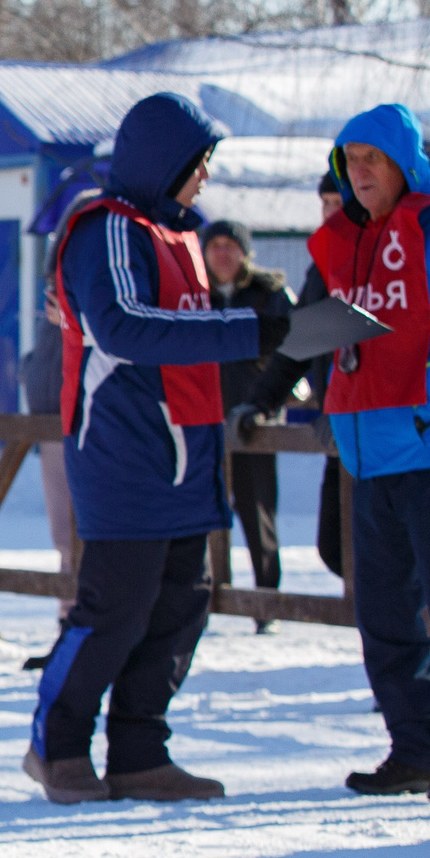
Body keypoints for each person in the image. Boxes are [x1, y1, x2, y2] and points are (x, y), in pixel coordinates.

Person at [25, 93, 282, 805]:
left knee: (178, 610)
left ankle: (140, 753)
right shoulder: (109, 226)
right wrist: (248, 329)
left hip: (188, 455)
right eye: (200, 163)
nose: (205, 177)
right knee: (115, 610)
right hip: (124, 455)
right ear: (165, 161)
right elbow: (125, 325)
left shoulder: (180, 236)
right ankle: (57, 745)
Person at [305, 104, 430, 800]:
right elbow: (335, 339)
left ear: (403, 164)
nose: (359, 172)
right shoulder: (348, 242)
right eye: (349, 160)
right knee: (384, 616)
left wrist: (420, 402)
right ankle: (416, 748)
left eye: (373, 158)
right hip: (370, 460)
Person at [239, 174, 346, 579]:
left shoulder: (384, 256)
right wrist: (260, 402)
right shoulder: (325, 264)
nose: (331, 213)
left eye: (340, 203)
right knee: (337, 547)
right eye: (326, 203)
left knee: (392, 556)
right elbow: (300, 341)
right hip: (339, 429)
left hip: (386, 430)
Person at [199, 219, 293, 621]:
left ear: (245, 252)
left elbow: (293, 348)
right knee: (202, 510)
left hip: (254, 420)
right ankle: (201, 599)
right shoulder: (194, 293)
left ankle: (266, 603)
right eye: (215, 245)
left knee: (257, 511)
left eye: (230, 245)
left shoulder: (269, 293)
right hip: (203, 418)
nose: (222, 253)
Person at [21, 279, 76, 626]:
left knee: (83, 532)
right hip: (50, 426)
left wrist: (72, 320)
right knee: (64, 534)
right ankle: (68, 614)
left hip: (83, 428)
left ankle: (81, 614)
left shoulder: (88, 299)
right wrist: (30, 370)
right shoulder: (51, 313)